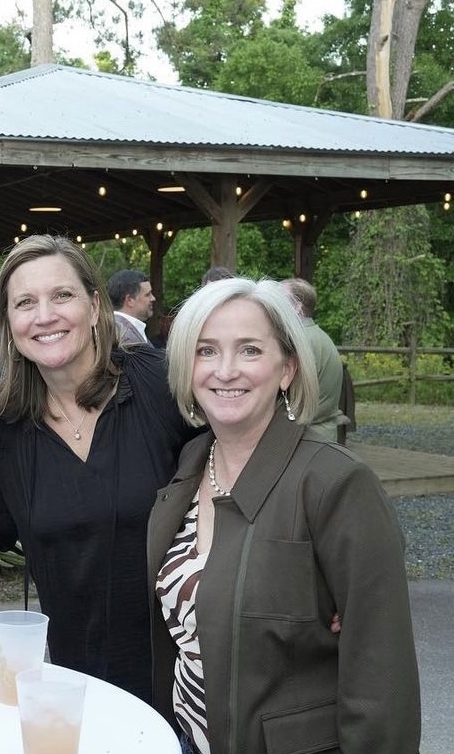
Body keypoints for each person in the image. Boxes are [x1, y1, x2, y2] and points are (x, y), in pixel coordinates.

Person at [148, 277, 420, 754]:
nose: (225, 370)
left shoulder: (335, 482)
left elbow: (383, 676)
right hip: (187, 736)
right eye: (206, 351)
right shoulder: (190, 465)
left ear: (288, 368)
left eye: (250, 350)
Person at [0, 236, 197, 702]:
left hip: (189, 680)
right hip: (79, 685)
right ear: (9, 324)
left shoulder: (160, 384)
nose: (44, 315)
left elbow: (245, 470)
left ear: (95, 307)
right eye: (25, 303)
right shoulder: (3, 426)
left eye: (62, 296)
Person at [281, 277, 346, 440]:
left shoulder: (300, 342)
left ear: (297, 306)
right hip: (318, 434)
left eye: (279, 299)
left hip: (306, 439)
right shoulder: (318, 336)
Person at [107, 268, 154, 345]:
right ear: (130, 300)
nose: (153, 298)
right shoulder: (124, 337)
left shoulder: (111, 328)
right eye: (147, 294)